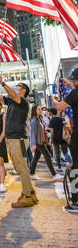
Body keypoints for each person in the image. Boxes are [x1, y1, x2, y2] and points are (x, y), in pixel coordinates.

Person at [0, 74, 38, 208]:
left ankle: (27, 195)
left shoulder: (23, 102)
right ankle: (30, 192)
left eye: (19, 87)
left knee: (22, 167)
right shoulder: (11, 101)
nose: (17, 88)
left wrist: (3, 83)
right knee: (19, 167)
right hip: (12, 139)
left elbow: (13, 95)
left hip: (18, 139)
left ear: (24, 90)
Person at [52, 70, 78, 212]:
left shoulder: (74, 94)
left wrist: (54, 99)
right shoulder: (74, 92)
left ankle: (76, 201)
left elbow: (59, 107)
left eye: (73, 80)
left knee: (75, 168)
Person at [30, 105, 63, 181]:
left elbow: (44, 131)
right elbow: (33, 133)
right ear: (34, 110)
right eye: (38, 109)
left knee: (36, 157)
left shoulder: (38, 119)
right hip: (38, 142)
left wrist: (48, 136)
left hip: (41, 141)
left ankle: (32, 173)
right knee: (48, 156)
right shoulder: (34, 120)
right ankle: (54, 174)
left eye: (40, 108)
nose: (40, 110)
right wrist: (33, 144)